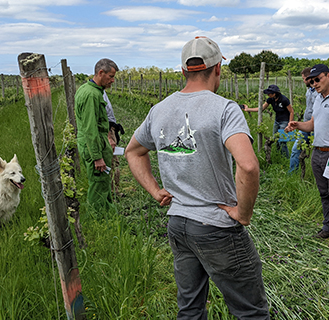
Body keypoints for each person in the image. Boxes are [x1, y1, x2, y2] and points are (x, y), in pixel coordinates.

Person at [125, 36, 269, 319]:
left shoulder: (159, 110)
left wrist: (156, 191)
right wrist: (243, 212)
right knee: (250, 312)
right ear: (218, 69)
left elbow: (133, 151)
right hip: (216, 227)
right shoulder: (225, 109)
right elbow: (249, 166)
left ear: (183, 72)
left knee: (190, 309)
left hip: (178, 225)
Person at [285, 64, 329, 250]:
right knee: (324, 193)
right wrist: (297, 124)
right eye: (312, 81)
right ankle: (328, 227)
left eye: (318, 79)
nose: (315, 83)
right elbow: (312, 125)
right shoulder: (318, 98)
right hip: (318, 152)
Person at [74, 58, 118, 211]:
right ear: (101, 73)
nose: (112, 80)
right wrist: (97, 157)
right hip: (95, 146)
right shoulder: (91, 95)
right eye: (111, 76)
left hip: (97, 144)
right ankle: (98, 217)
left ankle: (107, 212)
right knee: (98, 184)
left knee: (102, 182)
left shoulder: (88, 89)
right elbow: (90, 129)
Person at [244, 84, 294, 158]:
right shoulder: (271, 99)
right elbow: (261, 108)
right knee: (275, 140)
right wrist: (248, 109)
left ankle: (286, 158)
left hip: (285, 121)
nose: (268, 94)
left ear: (275, 93)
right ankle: (279, 156)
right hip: (277, 121)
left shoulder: (284, 99)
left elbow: (291, 111)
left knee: (283, 141)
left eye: (269, 93)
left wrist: (290, 124)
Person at [289, 67, 317, 172]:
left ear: (309, 78)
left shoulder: (319, 92)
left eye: (304, 79)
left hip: (316, 127)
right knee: (295, 150)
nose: (303, 81)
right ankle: (292, 174)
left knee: (317, 154)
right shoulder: (309, 90)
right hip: (305, 126)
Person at [103, 91, 125, 196]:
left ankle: (110, 191)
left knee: (112, 162)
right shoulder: (97, 94)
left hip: (110, 129)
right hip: (108, 132)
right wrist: (110, 137)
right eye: (111, 76)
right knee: (113, 162)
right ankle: (113, 192)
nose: (112, 81)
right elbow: (102, 117)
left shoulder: (99, 91)